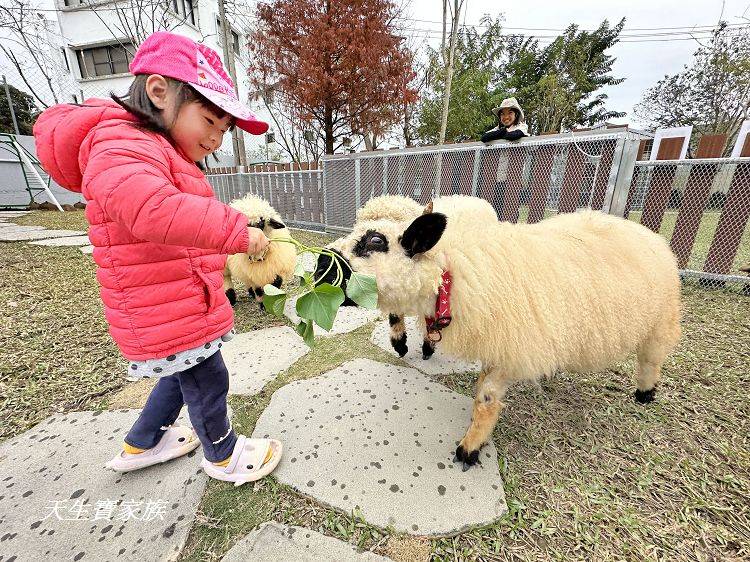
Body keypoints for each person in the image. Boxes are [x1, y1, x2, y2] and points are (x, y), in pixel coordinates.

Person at [33, 31, 282, 486]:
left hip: (173, 301)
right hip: (163, 303)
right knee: (208, 380)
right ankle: (224, 456)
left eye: (223, 130)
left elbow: (176, 218)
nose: (216, 138)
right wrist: (235, 232)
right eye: (209, 120)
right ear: (159, 91)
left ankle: (143, 443)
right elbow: (152, 211)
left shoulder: (152, 147)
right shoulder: (119, 141)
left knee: (177, 376)